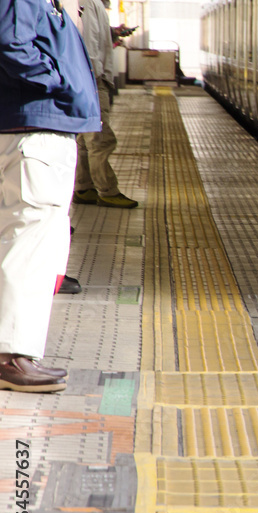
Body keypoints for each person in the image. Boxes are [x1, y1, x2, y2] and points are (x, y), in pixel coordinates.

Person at [0, 0, 101, 391]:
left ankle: (15, 353)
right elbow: (10, 41)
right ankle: (11, 357)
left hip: (38, 127)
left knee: (27, 239)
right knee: (28, 242)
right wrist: (58, 81)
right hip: (35, 127)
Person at [72, 0, 137, 209]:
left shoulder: (89, 3)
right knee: (100, 139)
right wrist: (93, 80)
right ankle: (107, 190)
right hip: (92, 80)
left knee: (85, 139)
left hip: (88, 78)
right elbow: (89, 44)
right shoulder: (89, 4)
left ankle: (83, 187)